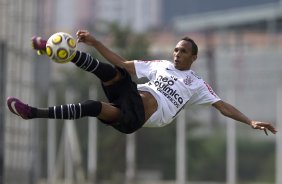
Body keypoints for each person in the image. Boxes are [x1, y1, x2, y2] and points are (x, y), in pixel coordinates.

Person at [7, 30, 277, 135]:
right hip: (131, 96)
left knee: (92, 106)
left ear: (194, 57)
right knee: (118, 73)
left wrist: (250, 121)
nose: (177, 54)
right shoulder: (160, 66)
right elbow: (123, 63)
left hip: (135, 116)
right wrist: (96, 42)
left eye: (183, 51)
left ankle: (33, 113)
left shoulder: (196, 83)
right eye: (176, 49)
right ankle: (60, 51)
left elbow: (222, 106)